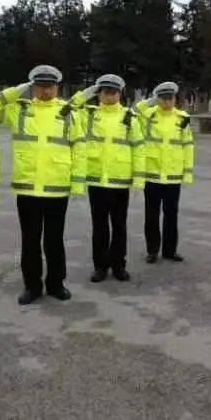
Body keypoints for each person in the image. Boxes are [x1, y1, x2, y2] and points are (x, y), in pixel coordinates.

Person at [0, 65, 86, 305]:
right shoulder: (19, 110)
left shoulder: (68, 113)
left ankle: (56, 284)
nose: (45, 91)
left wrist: (77, 184)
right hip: (28, 187)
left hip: (57, 188)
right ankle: (32, 286)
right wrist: (15, 91)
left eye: (50, 86)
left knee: (54, 240)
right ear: (33, 87)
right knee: (30, 240)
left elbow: (80, 149)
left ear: (57, 87)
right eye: (40, 86)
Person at [69, 74, 145, 282]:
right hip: (97, 181)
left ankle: (119, 265)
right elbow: (69, 107)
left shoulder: (129, 117)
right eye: (105, 92)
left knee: (119, 226)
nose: (110, 96)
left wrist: (138, 181)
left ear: (119, 94)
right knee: (100, 227)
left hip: (120, 182)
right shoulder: (89, 114)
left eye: (113, 92)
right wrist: (88, 91)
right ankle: (100, 267)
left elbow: (139, 149)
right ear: (99, 94)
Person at [134, 82, 194, 264]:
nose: (167, 102)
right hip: (152, 175)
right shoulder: (149, 115)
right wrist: (152, 100)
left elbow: (187, 147)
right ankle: (152, 250)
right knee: (151, 216)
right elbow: (136, 109)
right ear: (158, 99)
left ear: (175, 99)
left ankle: (170, 251)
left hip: (173, 176)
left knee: (171, 215)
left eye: (170, 98)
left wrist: (187, 174)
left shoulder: (182, 118)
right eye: (163, 98)